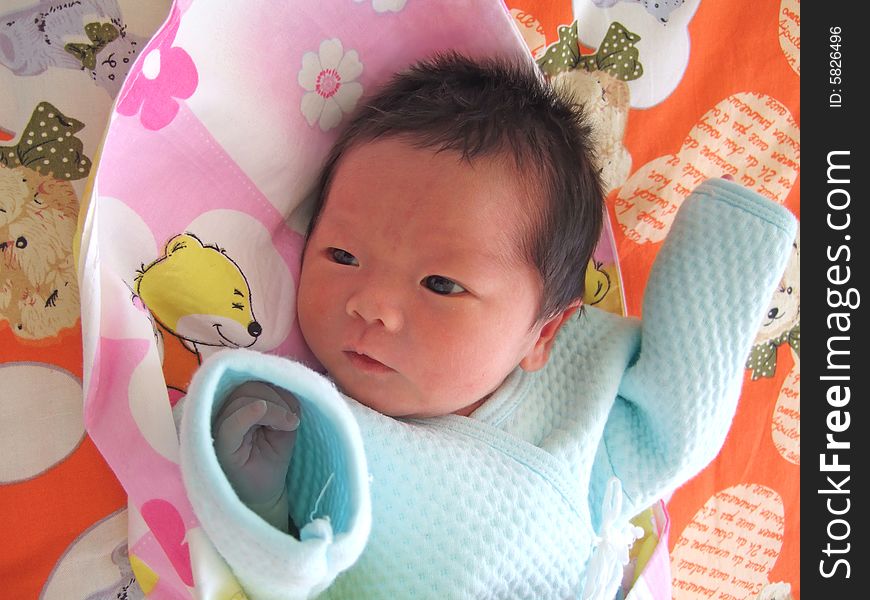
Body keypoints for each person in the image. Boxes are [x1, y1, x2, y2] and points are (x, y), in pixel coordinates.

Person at [182, 53, 796, 599]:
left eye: (442, 285)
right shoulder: (304, 418)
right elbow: (280, 580)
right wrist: (260, 499)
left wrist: (726, 249)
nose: (372, 306)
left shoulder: (577, 410)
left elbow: (678, 423)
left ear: (542, 334)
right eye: (341, 256)